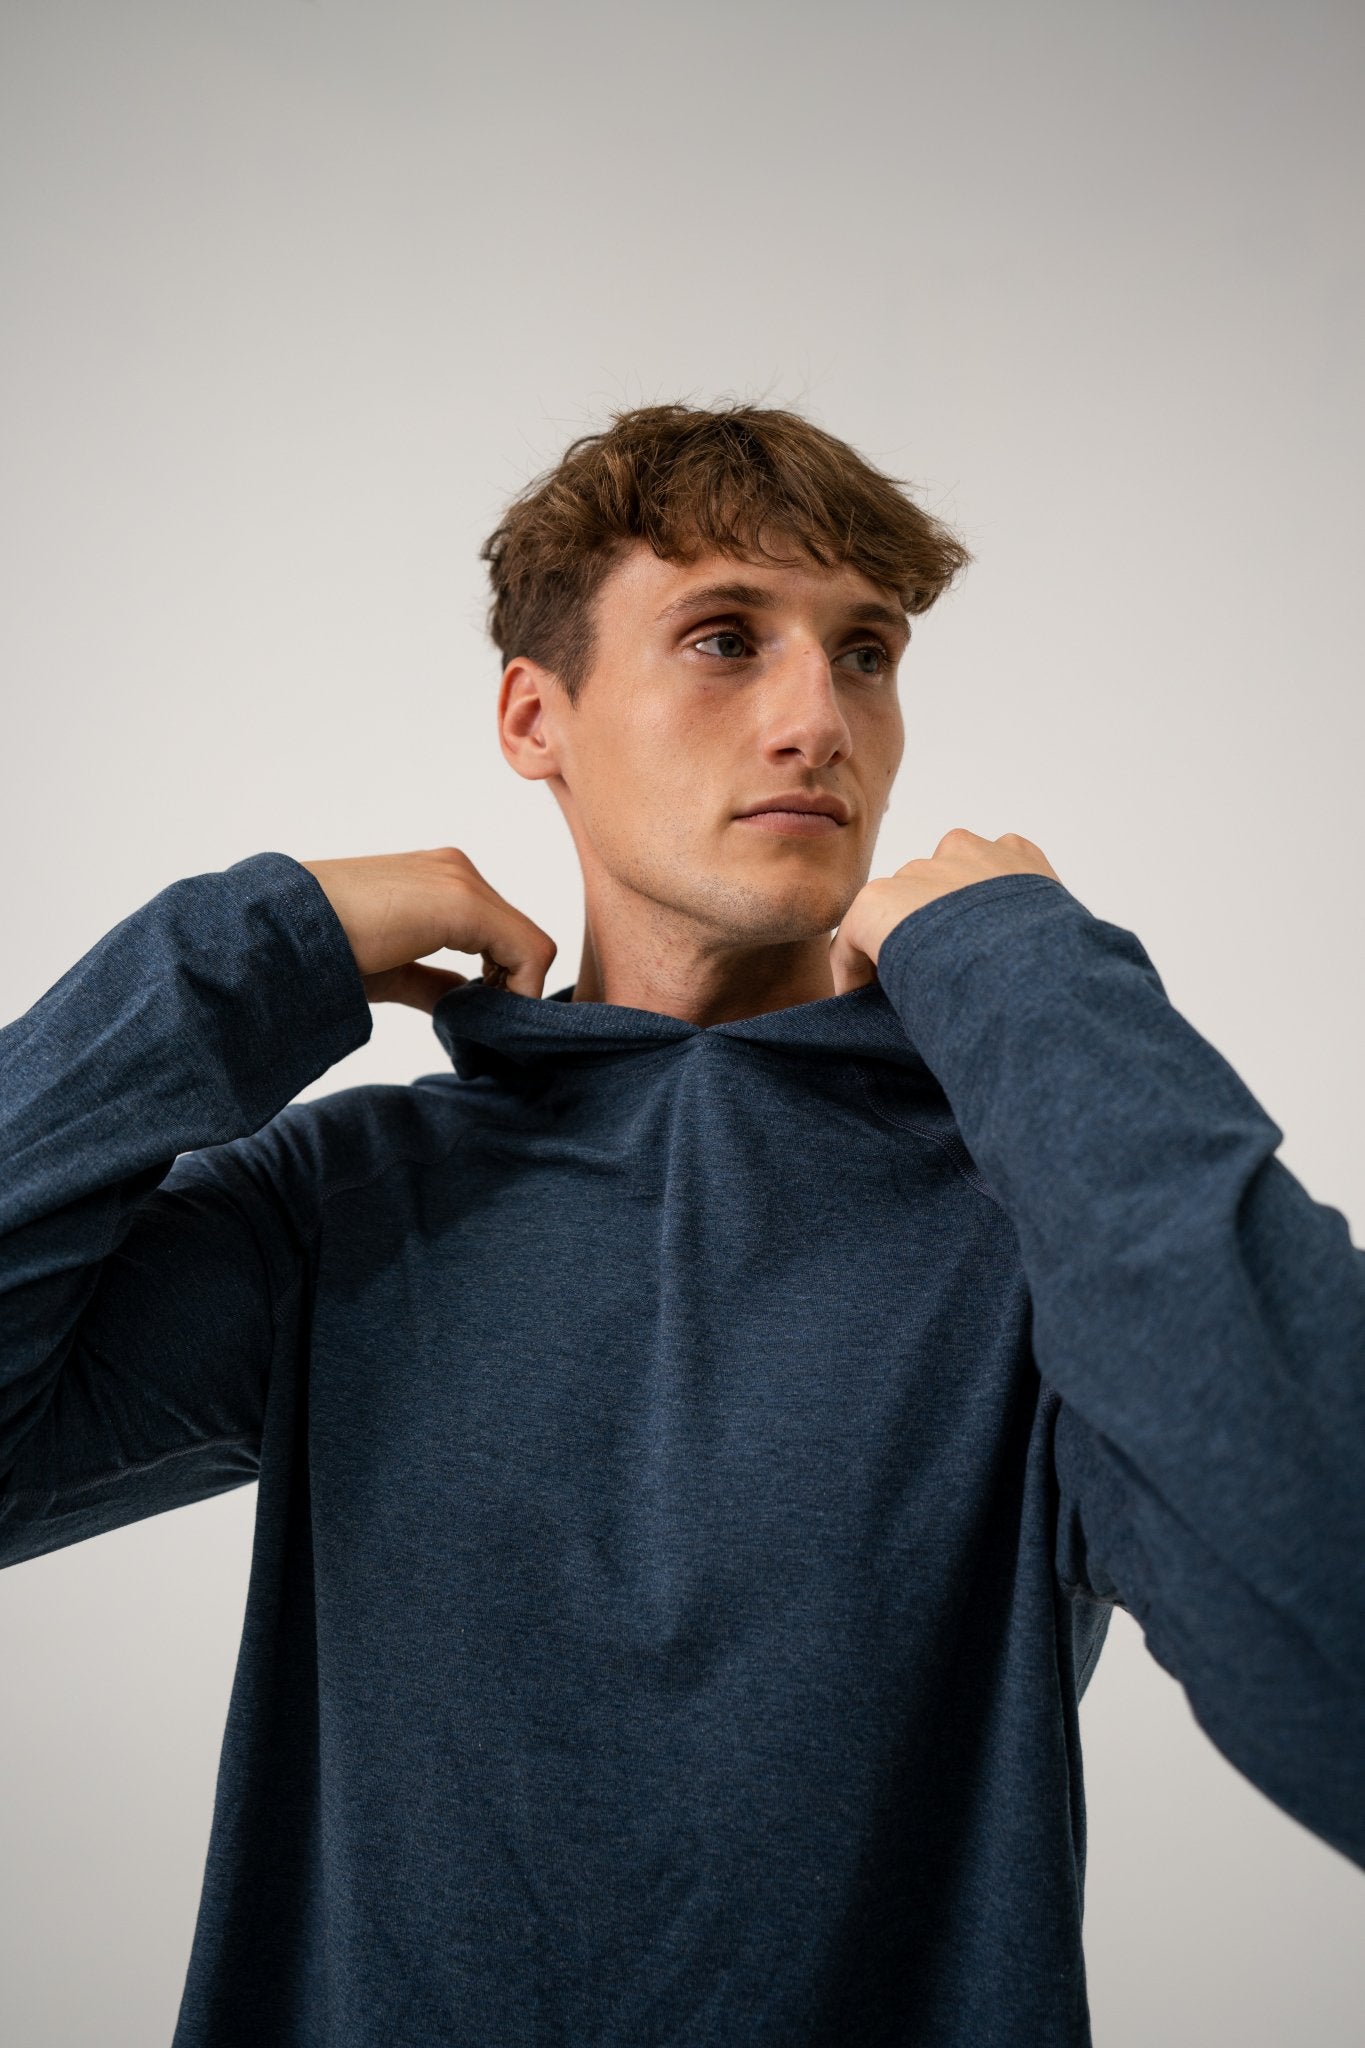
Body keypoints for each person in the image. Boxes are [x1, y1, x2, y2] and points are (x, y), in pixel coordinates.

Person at [1, 402, 1361, 2048]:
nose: (819, 720)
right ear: (534, 715)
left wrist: (1023, 978)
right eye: (724, 638)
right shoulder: (339, 1207)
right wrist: (231, 959)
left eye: (866, 654)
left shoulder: (1032, 1223)